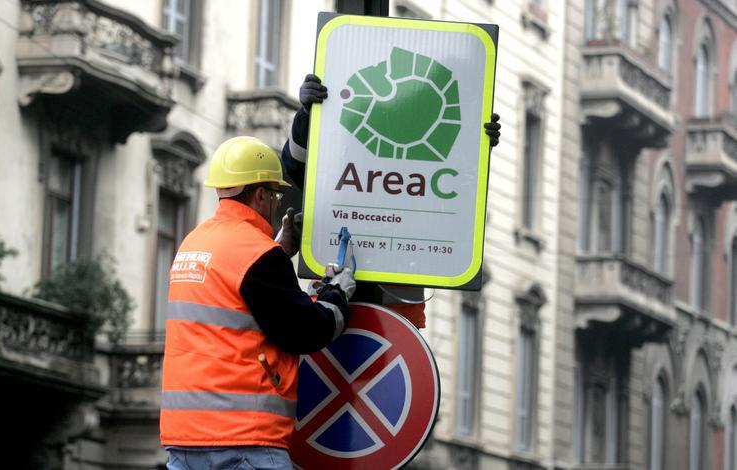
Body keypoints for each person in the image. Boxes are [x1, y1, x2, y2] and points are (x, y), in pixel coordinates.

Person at [160, 136, 355, 470]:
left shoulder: (194, 243)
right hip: (243, 440)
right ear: (261, 193)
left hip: (184, 440)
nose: (277, 203)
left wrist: (277, 250)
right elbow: (304, 331)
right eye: (276, 194)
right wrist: (336, 294)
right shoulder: (257, 255)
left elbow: (240, 299)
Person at [282, 74, 502, 328]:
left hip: (396, 315)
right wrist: (307, 116)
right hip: (336, 302)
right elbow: (296, 168)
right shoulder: (344, 150)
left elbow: (456, 198)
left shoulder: (429, 154)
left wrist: (476, 145)